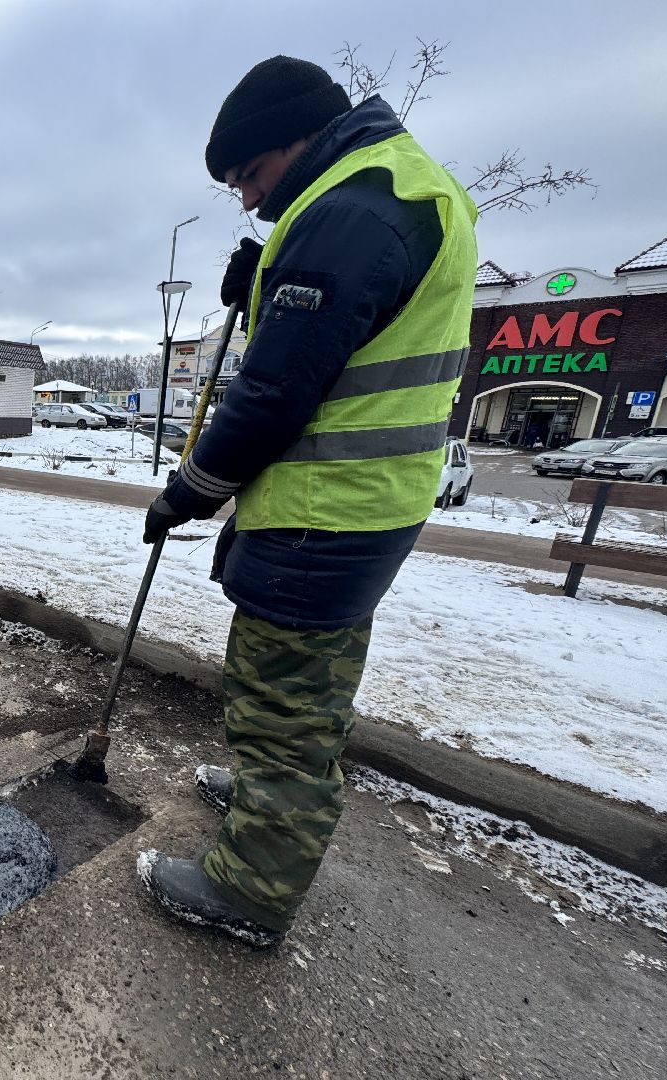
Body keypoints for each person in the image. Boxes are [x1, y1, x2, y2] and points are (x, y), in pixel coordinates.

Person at [137, 56, 477, 947]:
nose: (248, 200)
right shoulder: (404, 187)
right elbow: (351, 340)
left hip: (323, 512)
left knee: (281, 706)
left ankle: (251, 890)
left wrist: (188, 492)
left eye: (250, 175)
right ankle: (262, 797)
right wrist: (263, 290)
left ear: (296, 142)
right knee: (311, 690)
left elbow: (274, 392)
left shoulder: (348, 210)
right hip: (367, 504)